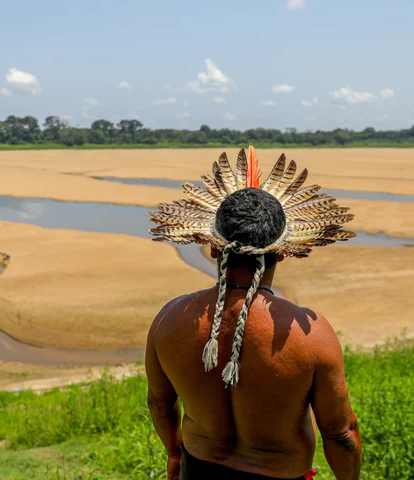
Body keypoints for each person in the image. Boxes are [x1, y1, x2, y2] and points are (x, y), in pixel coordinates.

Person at [146, 147, 362, 479]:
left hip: (198, 468)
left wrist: (174, 454)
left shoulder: (170, 319)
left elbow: (159, 403)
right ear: (283, 252)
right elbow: (341, 432)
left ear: (213, 248)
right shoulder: (312, 336)